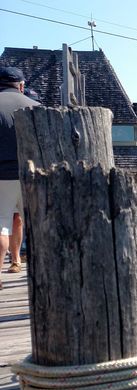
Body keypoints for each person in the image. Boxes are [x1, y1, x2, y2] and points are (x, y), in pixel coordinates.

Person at [0, 67, 39, 288]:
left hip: (1, 176)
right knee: (35, 224)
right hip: (31, 175)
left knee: (1, 224)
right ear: (21, 86)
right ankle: (45, 275)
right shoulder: (35, 107)